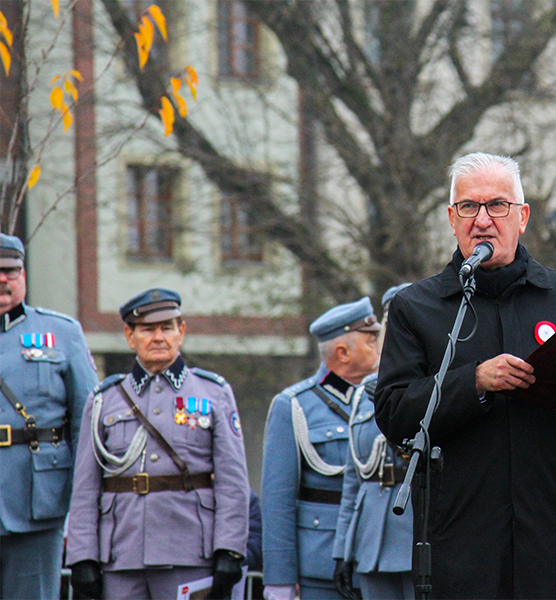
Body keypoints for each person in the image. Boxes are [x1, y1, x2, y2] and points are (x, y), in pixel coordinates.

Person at [374, 152, 556, 600]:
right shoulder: (416, 307)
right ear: (451, 218)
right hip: (463, 542)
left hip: (555, 537)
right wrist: (474, 381)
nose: (482, 220)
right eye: (469, 206)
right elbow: (393, 414)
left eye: (497, 205)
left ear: (522, 217)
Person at [66, 288, 250, 600]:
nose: (158, 337)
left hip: (190, 551)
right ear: (130, 335)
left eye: (167, 328)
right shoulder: (104, 399)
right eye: (147, 329)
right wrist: (83, 557)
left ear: (182, 332)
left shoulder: (213, 393)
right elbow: (85, 487)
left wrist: (230, 550)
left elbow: (233, 482)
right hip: (121, 554)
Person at [262, 298, 382, 600]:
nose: (381, 348)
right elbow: (278, 501)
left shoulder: (386, 400)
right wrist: (279, 578)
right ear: (342, 353)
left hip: (380, 556)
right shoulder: (293, 406)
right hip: (321, 563)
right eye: (372, 341)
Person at [0, 233, 98, 600]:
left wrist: (81, 509)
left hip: (37, 504)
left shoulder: (61, 333)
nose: (3, 279)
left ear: (23, 274)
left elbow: (86, 426)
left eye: (11, 270)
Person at [333, 284, 414, 600]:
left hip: (420, 535)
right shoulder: (365, 390)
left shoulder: (442, 387)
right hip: (371, 541)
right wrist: (343, 549)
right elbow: (355, 479)